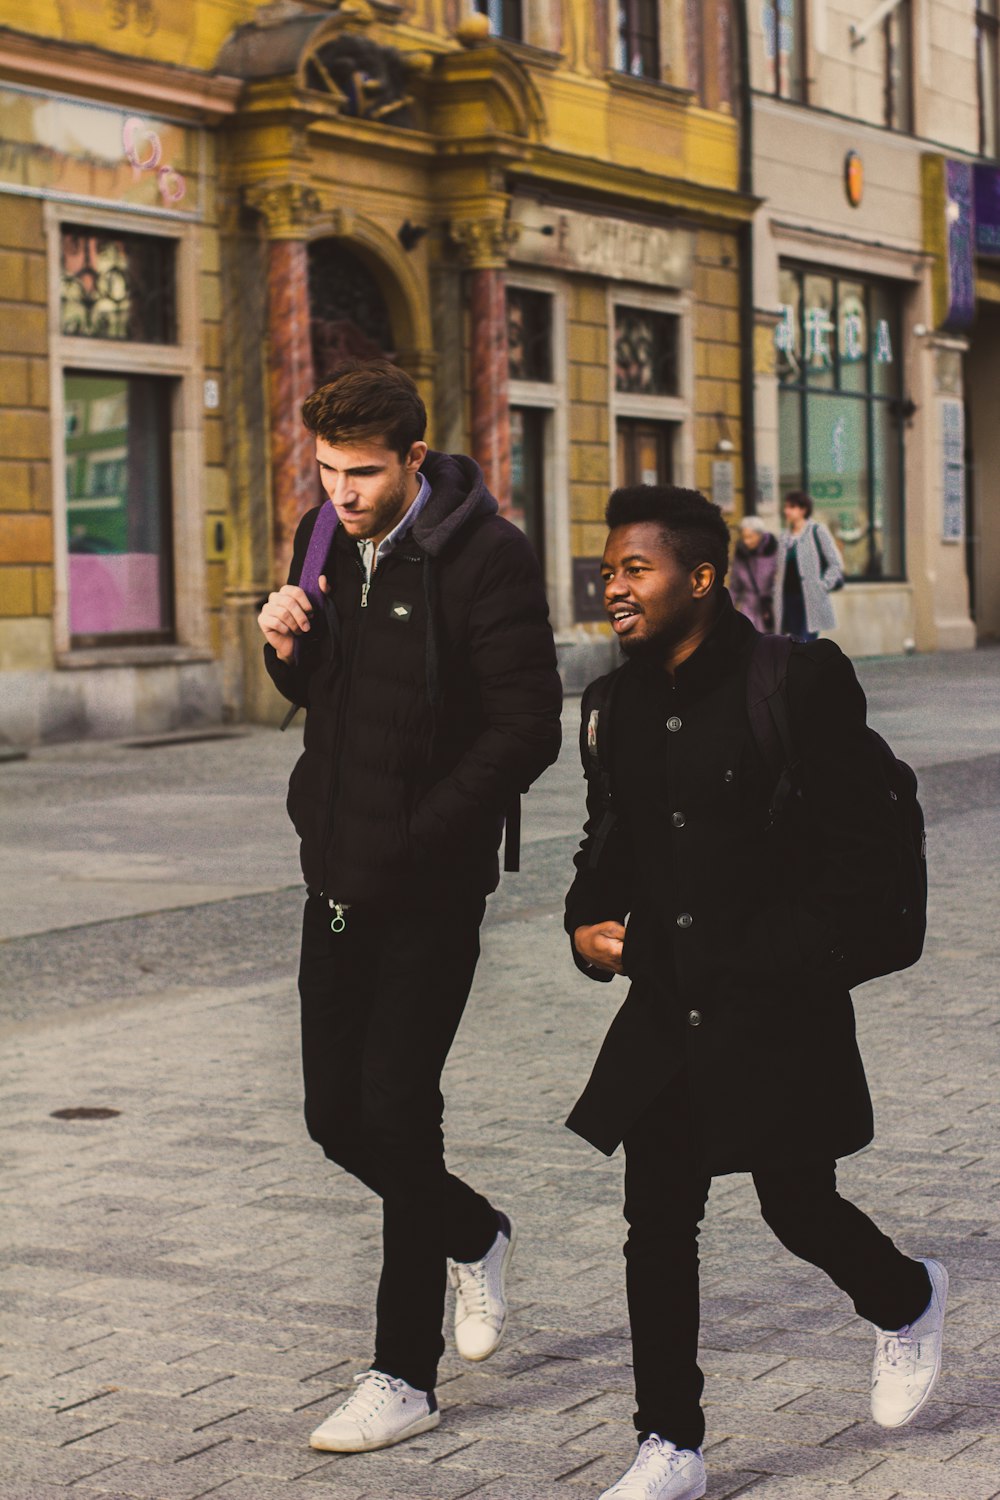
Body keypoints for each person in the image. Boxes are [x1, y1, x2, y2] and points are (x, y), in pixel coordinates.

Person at [565, 483, 947, 1500]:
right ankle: (669, 1445)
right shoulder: (612, 705)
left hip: (776, 1003)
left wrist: (773, 952)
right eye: (607, 571)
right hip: (663, 1010)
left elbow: (859, 859)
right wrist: (584, 925)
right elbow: (606, 848)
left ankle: (906, 1299)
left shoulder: (799, 682)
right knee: (655, 1217)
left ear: (700, 577)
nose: (614, 587)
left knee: (795, 1202)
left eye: (634, 569)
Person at [257, 360, 562, 1455]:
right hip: (335, 873)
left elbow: (527, 725)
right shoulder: (320, 535)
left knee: (395, 1106)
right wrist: (284, 642)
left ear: (414, 461)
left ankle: (402, 1374)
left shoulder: (488, 556)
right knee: (333, 1117)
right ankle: (472, 1232)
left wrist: (421, 835)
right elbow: (319, 693)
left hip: (428, 886)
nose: (341, 492)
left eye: (364, 473)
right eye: (328, 470)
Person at [774, 489, 843, 641]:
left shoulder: (817, 531)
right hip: (788, 599)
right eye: (786, 507)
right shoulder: (784, 537)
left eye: (791, 507)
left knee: (806, 642)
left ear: (803, 509)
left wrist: (823, 585)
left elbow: (835, 562)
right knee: (793, 642)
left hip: (810, 598)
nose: (786, 511)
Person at [728, 514, 777, 632]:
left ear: (760, 535)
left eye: (750, 537)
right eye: (744, 537)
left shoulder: (774, 551)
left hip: (770, 608)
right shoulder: (741, 555)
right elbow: (735, 587)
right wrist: (728, 610)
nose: (746, 541)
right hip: (748, 608)